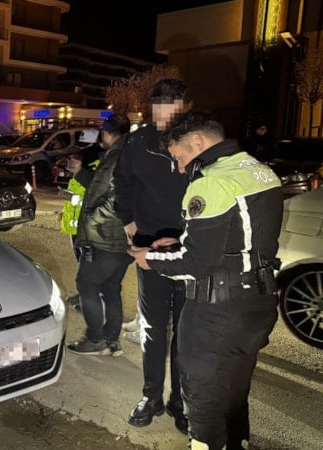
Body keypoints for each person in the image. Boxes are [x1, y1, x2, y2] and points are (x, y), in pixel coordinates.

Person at [129, 111, 283, 450]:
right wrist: (179, 242)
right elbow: (238, 239)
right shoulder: (260, 171)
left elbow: (198, 264)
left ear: (197, 142)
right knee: (234, 390)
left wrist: (149, 258)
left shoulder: (211, 182)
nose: (180, 168)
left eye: (179, 157)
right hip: (257, 303)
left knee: (204, 401)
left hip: (218, 313)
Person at [113, 78, 190, 433]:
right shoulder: (138, 142)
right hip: (148, 245)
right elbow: (123, 181)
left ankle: (181, 400)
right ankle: (152, 396)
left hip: (188, 247)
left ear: (184, 107)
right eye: (158, 106)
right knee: (153, 327)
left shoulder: (197, 139)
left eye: (171, 106)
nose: (163, 114)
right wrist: (127, 218)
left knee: (186, 330)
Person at [66, 114, 132, 356]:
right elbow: (103, 188)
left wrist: (93, 218)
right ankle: (111, 340)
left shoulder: (118, 157)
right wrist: (81, 173)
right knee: (111, 286)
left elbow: (117, 198)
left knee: (86, 283)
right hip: (119, 237)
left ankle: (95, 339)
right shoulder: (125, 153)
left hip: (107, 237)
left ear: (106, 133)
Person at [60, 128, 102, 310]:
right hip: (77, 222)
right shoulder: (84, 165)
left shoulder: (96, 166)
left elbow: (94, 195)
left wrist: (72, 198)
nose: (80, 153)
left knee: (88, 264)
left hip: (86, 224)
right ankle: (85, 296)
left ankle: (90, 299)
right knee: (82, 263)